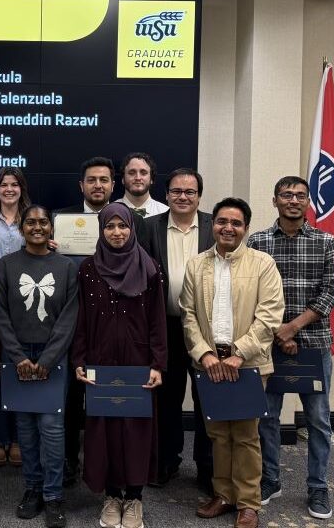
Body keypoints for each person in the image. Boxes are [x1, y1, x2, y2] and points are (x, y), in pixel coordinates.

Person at [180, 198, 283, 528]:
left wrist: (239, 354)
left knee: (246, 435)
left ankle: (249, 502)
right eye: (222, 221)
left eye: (236, 223)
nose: (228, 227)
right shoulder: (197, 265)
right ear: (214, 226)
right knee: (218, 434)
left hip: (248, 364)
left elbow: (268, 317)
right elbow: (188, 316)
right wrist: (205, 354)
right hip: (209, 364)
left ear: (246, 228)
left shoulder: (262, 264)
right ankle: (223, 495)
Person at [248, 177, 334, 519]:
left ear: (308, 203)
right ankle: (270, 480)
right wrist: (276, 333)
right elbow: (252, 294)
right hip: (268, 346)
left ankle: (318, 488)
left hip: (313, 345)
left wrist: (292, 328)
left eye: (301, 195)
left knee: (318, 420)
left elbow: (330, 293)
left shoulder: (327, 241)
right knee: (267, 417)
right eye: (287, 195)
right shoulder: (257, 242)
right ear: (274, 201)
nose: (294, 200)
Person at [71, 202, 166, 528]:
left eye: (122, 226)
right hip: (100, 361)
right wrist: (79, 360)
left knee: (136, 430)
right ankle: (112, 495)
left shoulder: (150, 267)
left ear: (132, 228)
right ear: (101, 230)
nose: (116, 232)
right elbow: (81, 319)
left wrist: (158, 363)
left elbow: (157, 320)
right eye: (109, 226)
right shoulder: (87, 269)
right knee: (104, 431)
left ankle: (135, 498)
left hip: (138, 363)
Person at [0, 205, 78, 528]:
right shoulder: (5, 266)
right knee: (25, 429)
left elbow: (69, 318)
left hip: (52, 357)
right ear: (23, 228)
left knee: (52, 429)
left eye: (43, 222)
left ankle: (54, 495)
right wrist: (19, 357)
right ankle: (33, 489)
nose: (37, 227)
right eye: (31, 222)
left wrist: (46, 360)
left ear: (51, 229)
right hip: (17, 357)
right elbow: (0, 315)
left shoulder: (67, 267)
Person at [144, 168, 214, 490]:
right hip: (166, 327)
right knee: (167, 399)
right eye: (176, 191)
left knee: (206, 401)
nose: (182, 197)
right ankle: (167, 460)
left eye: (190, 192)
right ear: (167, 193)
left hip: (208, 331)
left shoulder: (216, 226)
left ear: (199, 195)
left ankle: (206, 468)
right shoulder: (149, 227)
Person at [0, 167, 32, 467]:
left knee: (20, 369)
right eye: (3, 185)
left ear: (22, 188)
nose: (9, 189)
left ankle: (18, 438)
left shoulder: (34, 216)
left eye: (14, 184)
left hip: (25, 303)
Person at [117, 152, 168, 218]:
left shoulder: (165, 212)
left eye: (143, 173)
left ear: (151, 179)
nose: (138, 178)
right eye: (132, 173)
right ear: (123, 179)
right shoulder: (108, 211)